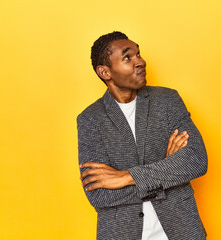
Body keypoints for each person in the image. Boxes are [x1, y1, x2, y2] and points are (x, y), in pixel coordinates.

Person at [77, 31, 207, 239]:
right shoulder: (90, 119)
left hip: (181, 231)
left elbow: (195, 160)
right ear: (105, 72)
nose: (140, 62)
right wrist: (168, 168)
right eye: (127, 57)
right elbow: (99, 194)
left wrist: (125, 177)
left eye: (138, 54)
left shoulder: (168, 101)